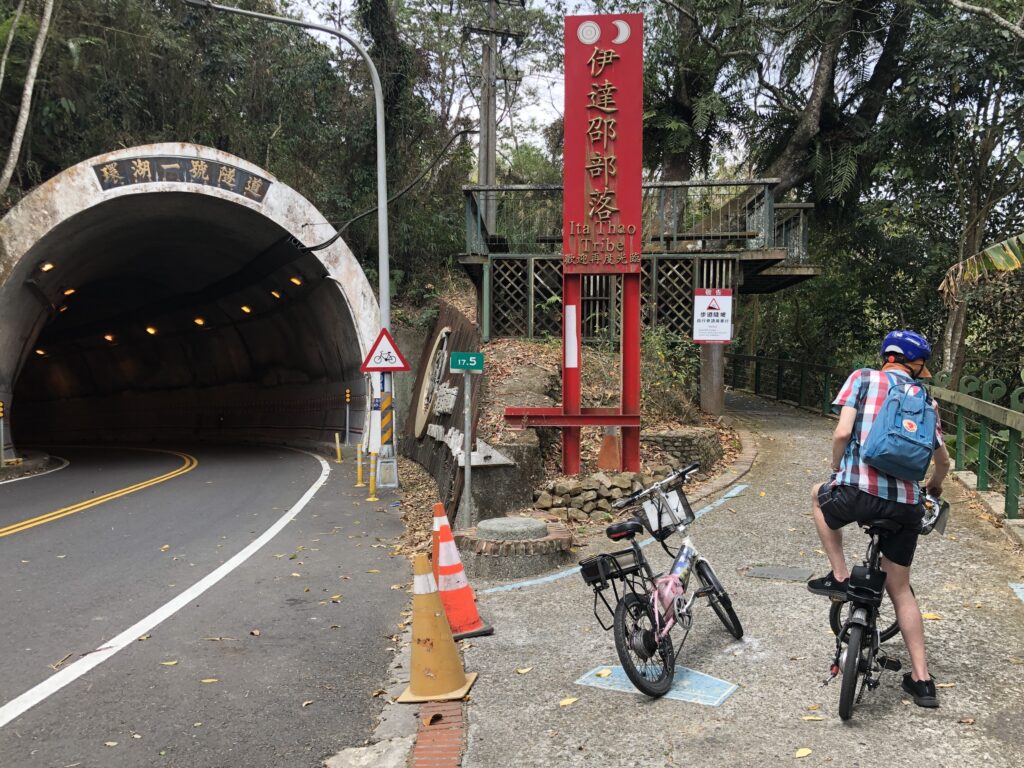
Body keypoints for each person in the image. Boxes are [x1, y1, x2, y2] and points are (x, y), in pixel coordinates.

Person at [807, 330, 951, 708]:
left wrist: (837, 467)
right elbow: (943, 463)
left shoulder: (863, 378)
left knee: (817, 498)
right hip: (905, 505)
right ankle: (922, 681)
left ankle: (838, 575)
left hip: (857, 493)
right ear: (915, 363)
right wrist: (933, 489)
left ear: (887, 356)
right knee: (900, 588)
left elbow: (842, 432)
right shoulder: (926, 401)